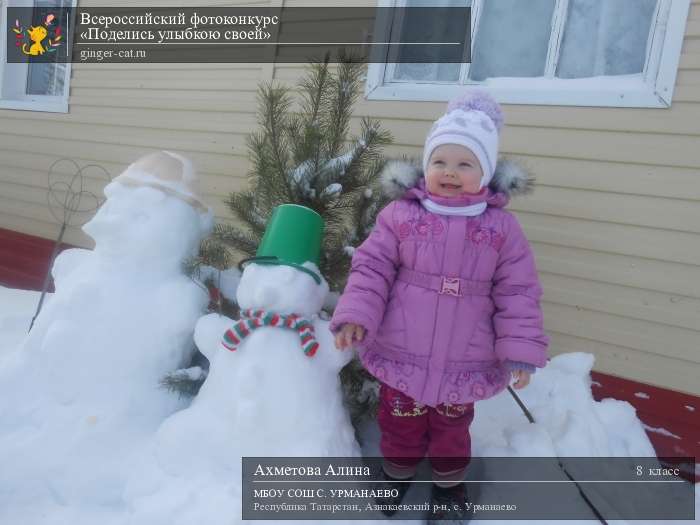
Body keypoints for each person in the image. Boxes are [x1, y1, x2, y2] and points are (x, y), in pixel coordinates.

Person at [330, 91, 549, 521]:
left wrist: (520, 349)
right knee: (399, 423)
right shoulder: (401, 216)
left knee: (452, 429)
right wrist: (356, 314)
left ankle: (449, 489)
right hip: (403, 348)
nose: (450, 172)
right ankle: (396, 474)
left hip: (463, 356)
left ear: (485, 173)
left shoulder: (501, 228)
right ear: (426, 166)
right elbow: (371, 268)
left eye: (465, 164)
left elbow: (518, 290)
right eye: (440, 162)